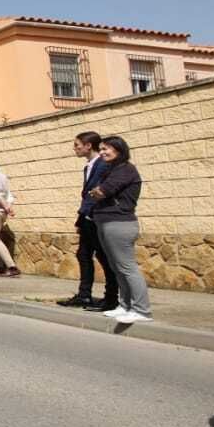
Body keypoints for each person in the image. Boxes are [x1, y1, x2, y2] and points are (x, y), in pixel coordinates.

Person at [87, 136, 150, 326]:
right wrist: (96, 191)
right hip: (106, 222)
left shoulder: (125, 170)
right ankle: (125, 305)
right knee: (116, 267)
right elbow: (94, 191)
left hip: (120, 223)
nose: (103, 152)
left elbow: (102, 191)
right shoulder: (111, 169)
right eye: (102, 149)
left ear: (119, 150)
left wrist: (98, 191)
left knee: (127, 267)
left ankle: (141, 310)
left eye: (107, 149)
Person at [56, 132, 119, 312]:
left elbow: (95, 193)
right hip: (86, 216)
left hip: (96, 217)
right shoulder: (89, 166)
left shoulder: (102, 164)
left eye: (77, 145)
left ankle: (111, 297)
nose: (75, 148)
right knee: (83, 254)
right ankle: (84, 294)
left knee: (104, 257)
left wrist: (88, 215)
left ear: (88, 145)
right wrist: (80, 218)